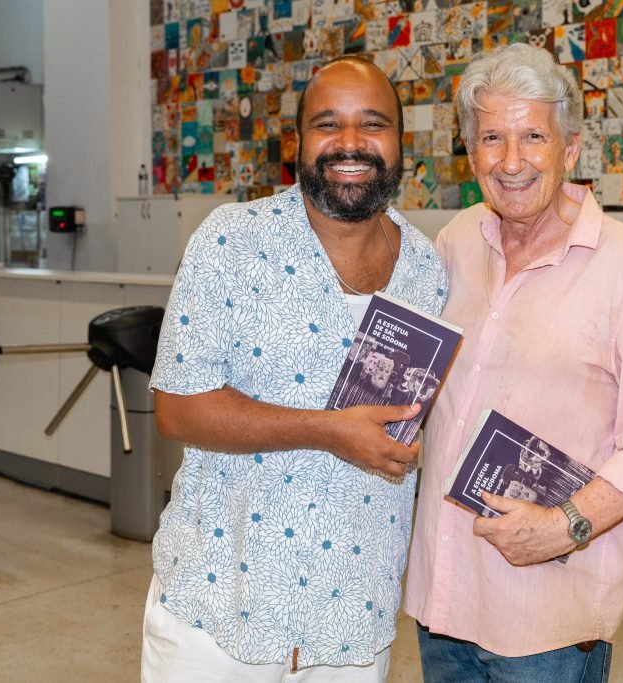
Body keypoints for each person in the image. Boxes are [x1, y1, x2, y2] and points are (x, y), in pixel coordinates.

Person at [141, 56, 448, 682]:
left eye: (373, 124)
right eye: (328, 124)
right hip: (220, 613)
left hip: (353, 622)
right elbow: (177, 408)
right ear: (299, 142)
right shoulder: (231, 241)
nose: (351, 144)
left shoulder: (426, 269)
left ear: (399, 143)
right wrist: (327, 429)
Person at [405, 43, 623, 682]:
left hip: (547, 623)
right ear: (471, 152)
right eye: (491, 138)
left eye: (533, 136)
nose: (511, 161)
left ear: (569, 150)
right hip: (443, 600)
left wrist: (567, 524)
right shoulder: (455, 243)